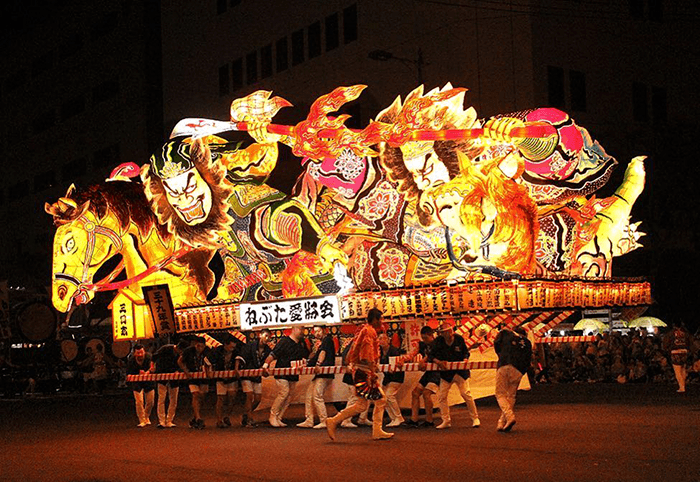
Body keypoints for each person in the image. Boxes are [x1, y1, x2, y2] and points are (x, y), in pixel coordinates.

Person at [326, 308, 394, 441]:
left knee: (362, 405)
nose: (382, 321)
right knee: (380, 400)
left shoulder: (365, 330)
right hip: (364, 372)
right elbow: (366, 355)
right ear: (375, 319)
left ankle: (334, 421)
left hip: (361, 371)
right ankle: (376, 430)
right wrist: (372, 371)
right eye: (380, 319)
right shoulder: (369, 331)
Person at [431, 319, 480, 429]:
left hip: (460, 372)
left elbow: (465, 353)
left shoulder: (459, 339)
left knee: (466, 394)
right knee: (442, 396)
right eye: (445, 332)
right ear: (442, 333)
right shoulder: (438, 341)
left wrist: (465, 360)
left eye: (449, 331)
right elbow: (431, 355)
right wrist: (438, 362)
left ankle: (475, 418)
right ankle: (446, 420)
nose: (448, 333)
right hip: (446, 373)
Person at [263, 326, 308, 427]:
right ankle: (273, 415)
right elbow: (273, 354)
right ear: (293, 329)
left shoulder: (301, 343)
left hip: (293, 373)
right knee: (284, 392)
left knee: (289, 396)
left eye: (303, 329)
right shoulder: (284, 341)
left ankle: (279, 417)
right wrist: (266, 365)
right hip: (281, 372)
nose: (302, 332)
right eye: (300, 329)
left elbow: (306, 355)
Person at [494, 325, 532, 432]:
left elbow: (496, 343)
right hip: (518, 370)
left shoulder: (506, 334)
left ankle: (509, 416)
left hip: (505, 364)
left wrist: (500, 355)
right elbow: (528, 360)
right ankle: (501, 422)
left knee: (500, 394)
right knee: (511, 395)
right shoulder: (527, 342)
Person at [298, 325, 336, 429]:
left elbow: (322, 354)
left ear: (324, 330)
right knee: (309, 395)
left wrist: (318, 364)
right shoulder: (323, 342)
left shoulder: (327, 340)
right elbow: (315, 357)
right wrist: (306, 365)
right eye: (315, 332)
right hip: (320, 374)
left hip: (324, 373)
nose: (317, 333)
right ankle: (309, 419)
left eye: (319, 331)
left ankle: (324, 420)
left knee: (317, 396)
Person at [405, 325, 440, 427]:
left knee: (426, 393)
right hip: (428, 373)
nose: (424, 340)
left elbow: (431, 356)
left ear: (431, 335)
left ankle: (429, 420)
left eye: (426, 338)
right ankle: (414, 419)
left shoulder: (437, 344)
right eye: (423, 338)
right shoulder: (422, 345)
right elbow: (412, 354)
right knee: (415, 393)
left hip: (437, 373)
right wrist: (402, 360)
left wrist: (424, 360)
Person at [207, 334, 243, 428]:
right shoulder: (217, 351)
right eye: (231, 347)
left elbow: (238, 359)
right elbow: (207, 361)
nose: (232, 349)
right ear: (225, 345)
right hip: (220, 378)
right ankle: (219, 420)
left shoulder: (236, 352)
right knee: (220, 398)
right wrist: (209, 372)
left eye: (234, 347)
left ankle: (227, 416)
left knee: (232, 397)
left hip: (232, 378)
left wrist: (236, 369)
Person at [239, 329, 272, 427]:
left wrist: (265, 370)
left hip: (257, 376)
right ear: (260, 335)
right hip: (247, 374)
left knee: (258, 399)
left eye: (269, 337)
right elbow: (241, 357)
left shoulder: (268, 350)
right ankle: (249, 418)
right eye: (265, 336)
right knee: (249, 396)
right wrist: (238, 369)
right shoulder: (250, 346)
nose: (267, 338)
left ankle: (246, 414)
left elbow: (267, 362)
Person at [152, 340, 187, 428]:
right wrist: (152, 367)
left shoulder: (183, 354)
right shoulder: (165, 349)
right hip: (161, 376)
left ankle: (169, 420)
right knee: (161, 399)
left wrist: (178, 371)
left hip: (174, 379)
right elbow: (154, 357)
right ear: (178, 348)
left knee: (173, 400)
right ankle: (161, 421)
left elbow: (184, 365)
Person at [178, 336, 210, 429]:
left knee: (202, 396)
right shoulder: (188, 351)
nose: (199, 348)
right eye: (197, 346)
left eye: (201, 346)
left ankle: (195, 416)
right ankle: (198, 418)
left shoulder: (207, 351)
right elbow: (180, 361)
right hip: (192, 377)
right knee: (195, 394)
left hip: (203, 377)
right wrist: (186, 371)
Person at [379, 333, 405, 427]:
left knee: (389, 396)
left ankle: (399, 417)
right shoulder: (380, 352)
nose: (381, 340)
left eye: (383, 338)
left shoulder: (394, 351)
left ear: (388, 340)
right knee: (382, 398)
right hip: (387, 378)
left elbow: (397, 364)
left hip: (396, 377)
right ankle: (393, 418)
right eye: (380, 338)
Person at [126, 344, 155, 427]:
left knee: (150, 401)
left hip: (149, 381)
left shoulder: (149, 357)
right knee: (139, 401)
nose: (140, 355)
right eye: (138, 353)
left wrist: (148, 372)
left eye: (142, 352)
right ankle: (141, 419)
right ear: (135, 353)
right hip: (136, 382)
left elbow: (153, 368)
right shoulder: (131, 361)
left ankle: (146, 416)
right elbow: (128, 374)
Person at [663, 323, 692, 393]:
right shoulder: (685, 333)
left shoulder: (671, 333)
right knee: (683, 369)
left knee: (677, 371)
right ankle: (683, 385)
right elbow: (690, 341)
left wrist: (667, 349)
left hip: (675, 352)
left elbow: (666, 342)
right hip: (684, 351)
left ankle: (682, 387)